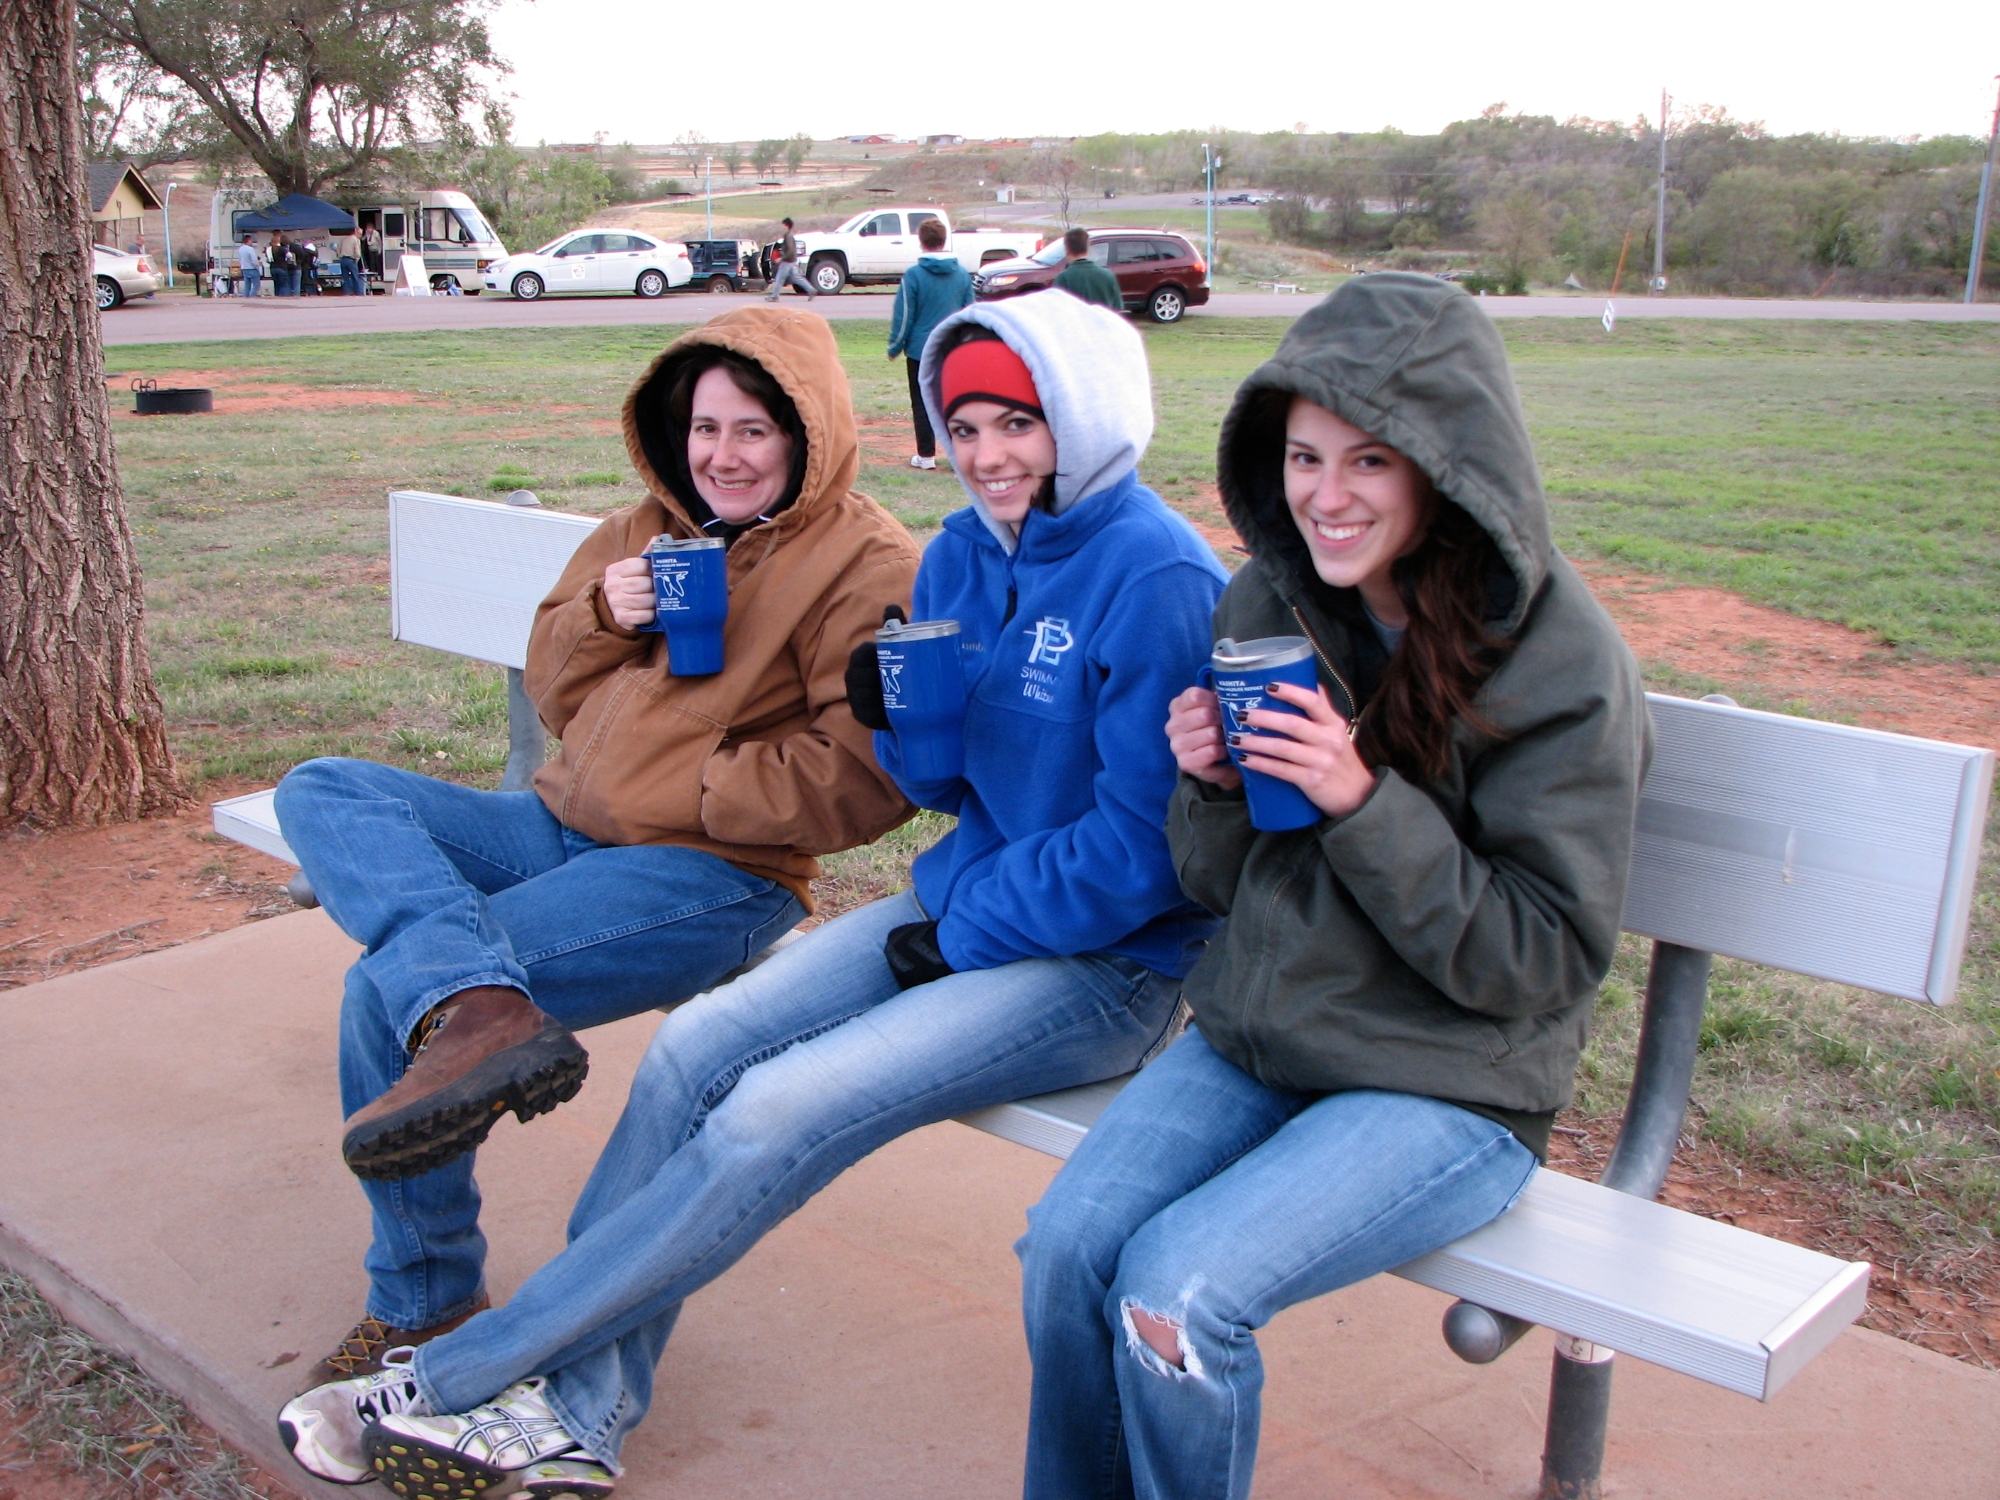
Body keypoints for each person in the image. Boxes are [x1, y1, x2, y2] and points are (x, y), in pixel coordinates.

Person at [278, 290, 1230, 1500]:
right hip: (964, 905)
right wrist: (916, 736)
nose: (988, 456)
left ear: (1084, 421)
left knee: (769, 1111)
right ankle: (575, 1401)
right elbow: (941, 788)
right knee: (694, 1053)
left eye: (1018, 425)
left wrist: (961, 915)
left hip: (1105, 964)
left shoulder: (1157, 581)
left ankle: (468, 1375)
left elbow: (1144, 856)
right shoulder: (960, 556)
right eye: (967, 425)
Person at [1016, 272, 1651, 1500]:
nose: (1325, 495)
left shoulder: (1564, 665)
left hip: (1449, 1085)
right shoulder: (1271, 599)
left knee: (1174, 1303)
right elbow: (1219, 882)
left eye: (1369, 462)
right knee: (1067, 1250)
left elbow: (1538, 958)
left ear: (1444, 470)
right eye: (1303, 457)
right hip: (1266, 1041)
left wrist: (1362, 802)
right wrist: (1202, 784)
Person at [268, 305, 920, 1405]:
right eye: (706, 427)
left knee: (381, 991)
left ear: (808, 432)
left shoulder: (868, 563)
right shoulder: (644, 529)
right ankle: (471, 997)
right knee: (324, 787)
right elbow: (559, 690)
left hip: (712, 875)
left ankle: (423, 1291)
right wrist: (604, 618)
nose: (723, 455)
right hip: (559, 827)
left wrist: (694, 787)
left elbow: (862, 778)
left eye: (755, 430)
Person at [885, 216, 972, 469]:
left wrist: (895, 346)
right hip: (952, 349)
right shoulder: (962, 275)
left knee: (922, 401)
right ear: (944, 240)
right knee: (953, 401)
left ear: (921, 242)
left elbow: (904, 315)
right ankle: (959, 455)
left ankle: (926, 455)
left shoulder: (913, 275)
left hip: (920, 350)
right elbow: (970, 314)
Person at [1052, 227, 1123, 313]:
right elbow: (1117, 310)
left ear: (1067, 249)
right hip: (1101, 325)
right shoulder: (1108, 276)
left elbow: (1057, 311)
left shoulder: (1063, 278)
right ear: (1088, 247)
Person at [762, 217, 815, 301]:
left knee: (779, 279)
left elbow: (790, 249)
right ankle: (811, 290)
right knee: (796, 278)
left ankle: (774, 296)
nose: (781, 227)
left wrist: (781, 258)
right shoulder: (790, 235)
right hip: (792, 260)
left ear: (786, 225)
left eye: (782, 225)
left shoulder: (787, 236)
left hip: (787, 261)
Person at [334, 227, 365, 295]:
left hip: (343, 260)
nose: (361, 236)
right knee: (355, 278)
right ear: (355, 232)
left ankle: (346, 294)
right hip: (351, 260)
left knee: (345, 279)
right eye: (360, 234)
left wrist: (340, 256)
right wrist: (356, 259)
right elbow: (357, 253)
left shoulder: (344, 239)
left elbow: (338, 250)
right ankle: (358, 294)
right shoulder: (356, 240)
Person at [235, 234, 262, 299]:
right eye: (251, 241)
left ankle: (245, 297)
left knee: (247, 285)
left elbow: (240, 259)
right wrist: (257, 266)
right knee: (256, 285)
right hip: (252, 269)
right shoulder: (250, 249)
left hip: (244, 269)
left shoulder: (240, 249)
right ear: (248, 240)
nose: (252, 242)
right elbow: (254, 260)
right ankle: (252, 297)